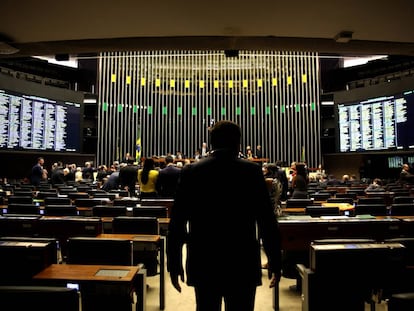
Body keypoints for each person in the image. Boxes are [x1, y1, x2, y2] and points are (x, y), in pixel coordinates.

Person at [167, 120, 282, 311]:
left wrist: (174, 263)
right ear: (238, 143)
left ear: (211, 144)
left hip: (204, 259)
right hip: (241, 261)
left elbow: (177, 221)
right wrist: (275, 262)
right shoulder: (251, 171)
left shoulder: (191, 171)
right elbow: (266, 220)